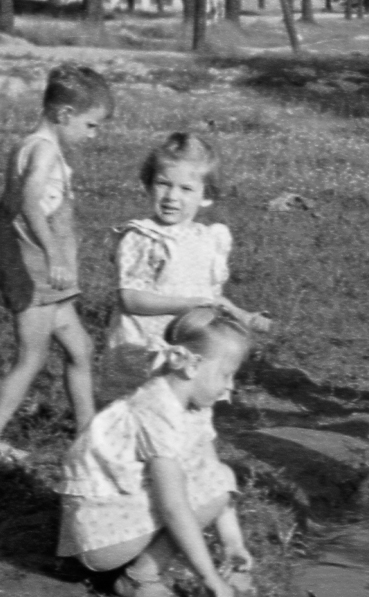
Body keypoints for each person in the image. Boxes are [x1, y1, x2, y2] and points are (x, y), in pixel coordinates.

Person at [57, 307, 253, 597]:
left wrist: (232, 543)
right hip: (98, 539)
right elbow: (173, 507)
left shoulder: (193, 405)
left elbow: (214, 474)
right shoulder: (157, 411)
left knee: (218, 475)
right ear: (192, 365)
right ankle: (140, 579)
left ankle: (134, 562)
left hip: (111, 522)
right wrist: (212, 581)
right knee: (190, 494)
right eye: (225, 375)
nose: (230, 387)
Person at [0, 64, 111, 463]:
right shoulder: (44, 150)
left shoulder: (29, 146)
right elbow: (29, 203)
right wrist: (53, 253)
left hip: (43, 275)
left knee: (81, 349)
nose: (92, 135)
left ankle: (88, 436)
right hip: (38, 274)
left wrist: (2, 254)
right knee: (30, 358)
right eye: (90, 125)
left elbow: (7, 208)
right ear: (65, 114)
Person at [100, 133, 270, 403]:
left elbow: (209, 298)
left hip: (191, 347)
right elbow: (130, 298)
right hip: (145, 348)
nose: (172, 196)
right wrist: (187, 304)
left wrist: (242, 315)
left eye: (186, 189)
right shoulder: (144, 237)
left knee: (186, 410)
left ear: (206, 196)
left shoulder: (208, 238)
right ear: (149, 185)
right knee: (142, 411)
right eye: (163, 184)